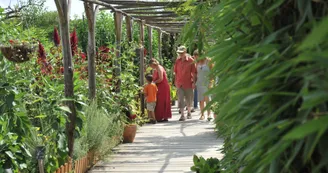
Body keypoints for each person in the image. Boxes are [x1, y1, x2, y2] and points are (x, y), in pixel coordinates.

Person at [174, 46, 197, 121]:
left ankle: (189, 112)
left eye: (181, 53)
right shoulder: (177, 61)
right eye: (179, 53)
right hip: (179, 82)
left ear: (185, 52)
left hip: (188, 82)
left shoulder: (191, 60)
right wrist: (175, 81)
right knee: (180, 99)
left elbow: (194, 72)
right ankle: (182, 115)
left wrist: (193, 82)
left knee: (189, 98)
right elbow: (176, 72)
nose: (180, 54)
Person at [194, 50, 214, 120]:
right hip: (199, 82)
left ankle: (209, 114)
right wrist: (194, 82)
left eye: (197, 56)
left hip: (207, 82)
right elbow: (196, 73)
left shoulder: (209, 61)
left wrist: (211, 82)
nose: (196, 58)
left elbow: (212, 72)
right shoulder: (197, 63)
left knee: (207, 98)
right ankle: (202, 114)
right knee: (201, 99)